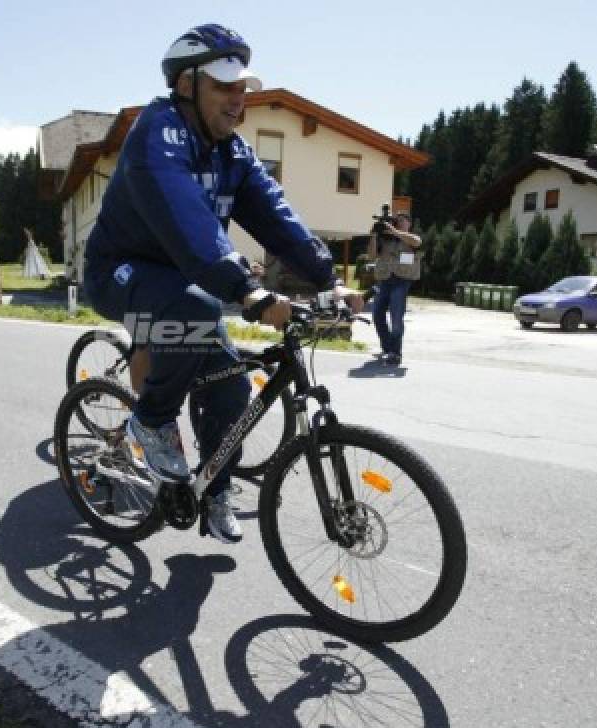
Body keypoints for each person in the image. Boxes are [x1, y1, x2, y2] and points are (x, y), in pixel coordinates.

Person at [83, 24, 363, 544]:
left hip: (184, 278)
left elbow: (277, 215)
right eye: (224, 88)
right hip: (120, 270)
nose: (238, 102)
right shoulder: (158, 131)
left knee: (231, 385)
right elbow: (188, 219)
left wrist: (329, 278)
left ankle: (212, 491)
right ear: (186, 84)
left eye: (242, 90)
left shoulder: (231, 151)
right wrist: (247, 289)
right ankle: (151, 420)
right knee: (192, 311)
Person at [367, 211, 422, 365]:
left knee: (396, 317)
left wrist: (395, 231)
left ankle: (395, 353)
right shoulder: (385, 239)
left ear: (409, 224)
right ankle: (387, 348)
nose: (399, 222)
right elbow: (371, 256)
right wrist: (374, 235)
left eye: (403, 220)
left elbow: (417, 242)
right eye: (397, 220)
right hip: (384, 280)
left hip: (402, 281)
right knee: (377, 315)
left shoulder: (411, 239)